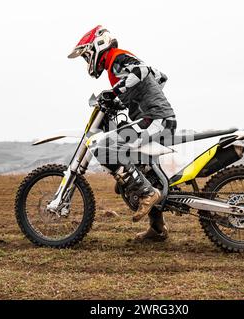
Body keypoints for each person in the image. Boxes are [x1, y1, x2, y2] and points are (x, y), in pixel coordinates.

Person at [68, 25, 176, 242]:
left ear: (98, 46)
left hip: (155, 120)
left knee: (104, 148)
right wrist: (130, 98)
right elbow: (160, 77)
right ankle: (157, 228)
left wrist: (116, 92)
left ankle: (147, 194)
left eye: (86, 55)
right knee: (143, 169)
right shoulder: (116, 67)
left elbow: (142, 70)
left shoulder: (118, 59)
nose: (87, 61)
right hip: (156, 118)